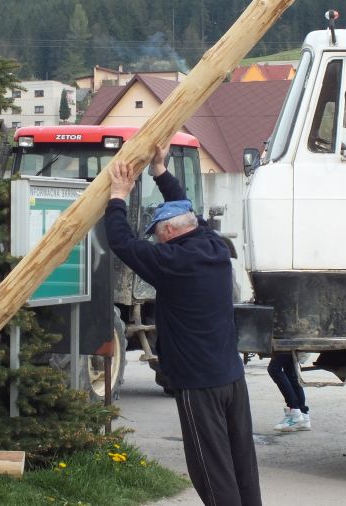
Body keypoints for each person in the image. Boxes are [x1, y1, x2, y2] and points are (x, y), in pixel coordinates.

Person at [103, 145, 262, 506]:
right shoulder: (213, 245)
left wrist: (118, 195)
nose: (156, 239)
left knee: (212, 470)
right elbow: (185, 206)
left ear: (171, 231)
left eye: (158, 233)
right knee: (241, 463)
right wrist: (160, 170)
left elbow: (121, 242)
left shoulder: (172, 262)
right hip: (231, 378)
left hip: (198, 384)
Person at [268, 353, 311, 432]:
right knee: (290, 372)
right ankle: (303, 416)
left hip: (286, 345)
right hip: (293, 345)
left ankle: (294, 412)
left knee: (274, 369)